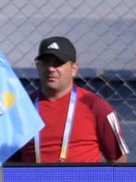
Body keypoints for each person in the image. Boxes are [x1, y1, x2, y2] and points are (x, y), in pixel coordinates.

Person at [11, 36, 128, 164]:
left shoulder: (96, 107)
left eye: (57, 63)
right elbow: (7, 162)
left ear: (73, 69)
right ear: (38, 66)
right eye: (45, 62)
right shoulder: (22, 108)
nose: (51, 69)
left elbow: (118, 162)